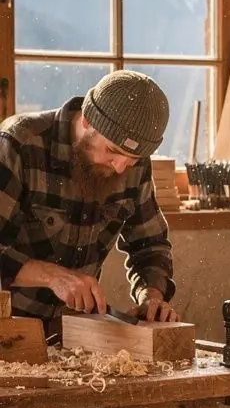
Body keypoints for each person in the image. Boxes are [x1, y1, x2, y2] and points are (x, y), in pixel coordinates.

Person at [0, 70, 178, 333]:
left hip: (72, 333)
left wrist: (151, 296)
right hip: (9, 329)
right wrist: (53, 277)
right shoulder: (19, 145)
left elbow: (150, 246)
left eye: (132, 160)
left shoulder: (133, 163)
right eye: (113, 151)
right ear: (86, 121)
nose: (120, 168)